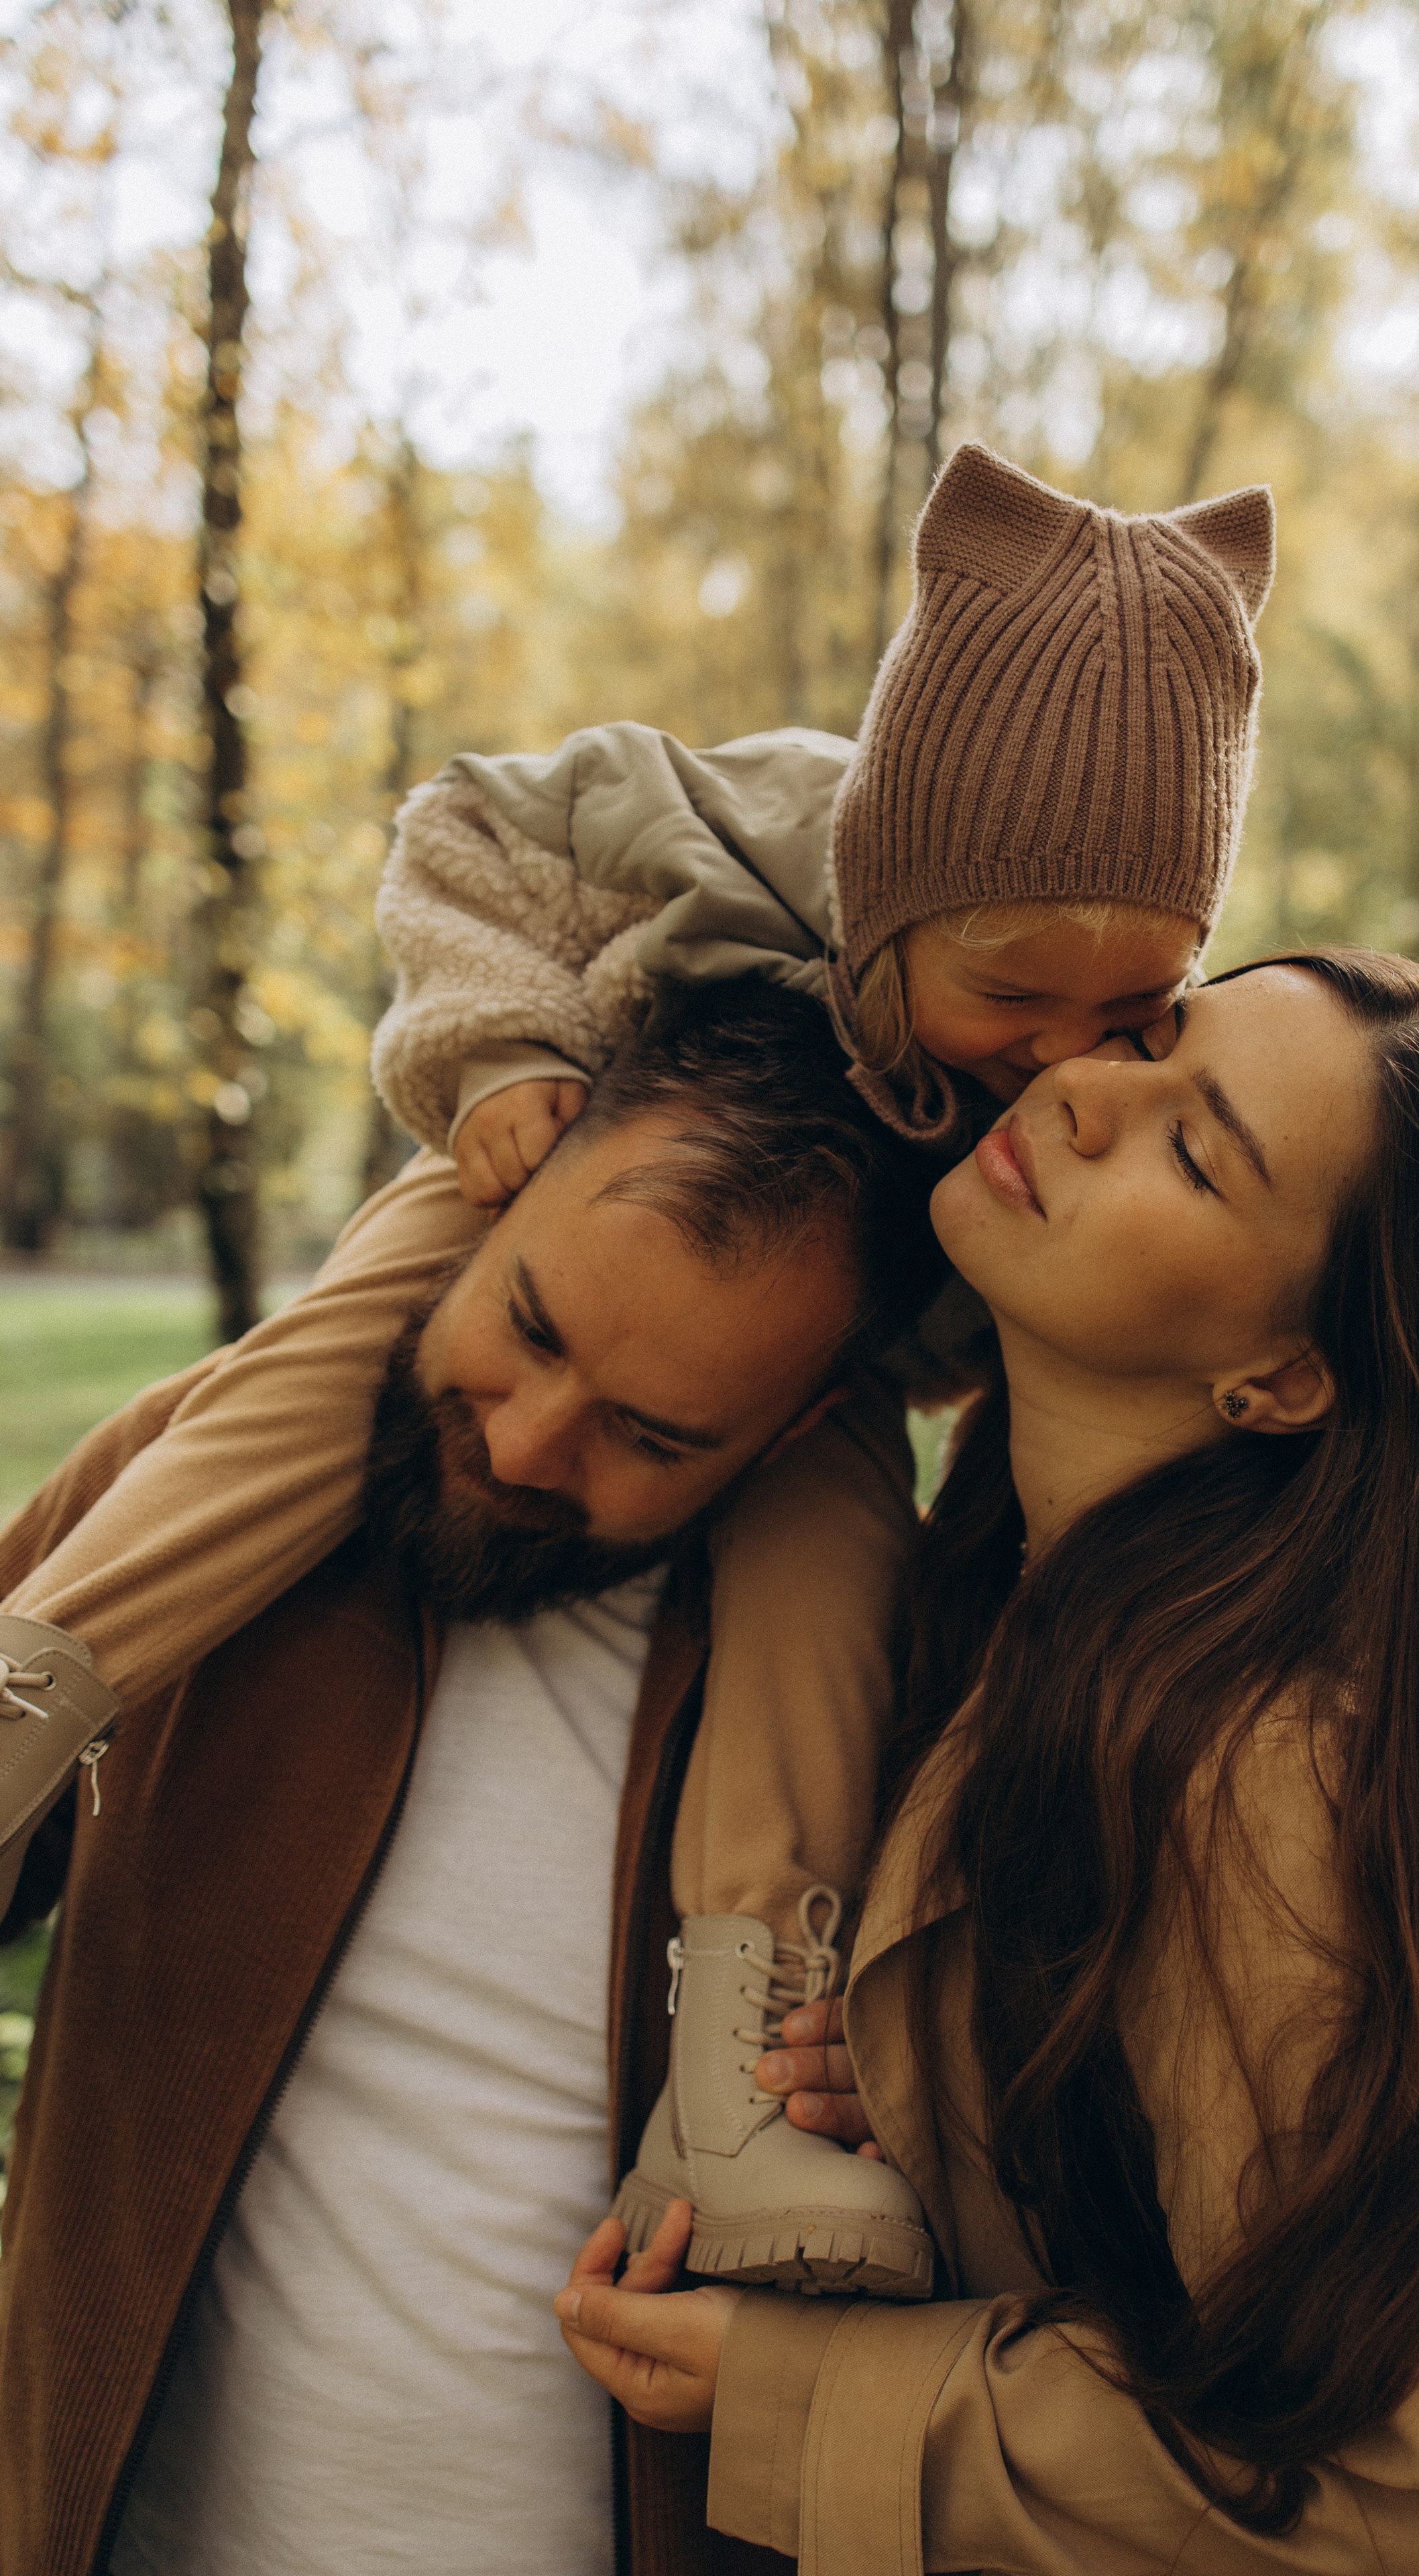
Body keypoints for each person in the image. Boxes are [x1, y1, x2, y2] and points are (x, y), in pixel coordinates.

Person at [0, 441, 1276, 2294]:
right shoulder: (736, 828)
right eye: (1016, 997)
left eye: (1129, 1015)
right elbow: (462, 836)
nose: (1063, 1055)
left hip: (830, 1355)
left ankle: (741, 2067)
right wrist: (496, 1051)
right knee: (309, 1385)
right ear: (899, 885)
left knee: (826, 1581)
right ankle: (38, 1683)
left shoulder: (1060, 1102)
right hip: (552, 1154)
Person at [557, 952, 1419, 2571]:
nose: (1082, 1093)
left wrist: (796, 2387)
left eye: (1192, 1150)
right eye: (1146, 1043)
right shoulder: (1033, 1587)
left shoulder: (1273, 1768)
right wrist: (938, 2077)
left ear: (1285, 1375)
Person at [0, 985, 944, 2576]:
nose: (522, 1447)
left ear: (794, 1436)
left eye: (647, 1431)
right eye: (529, 1327)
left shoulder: (903, 1696)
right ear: (496, 1197)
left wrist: (925, 2099)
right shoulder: (187, 1497)